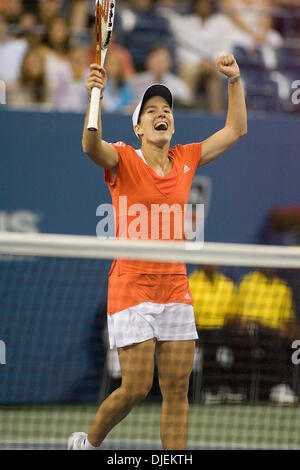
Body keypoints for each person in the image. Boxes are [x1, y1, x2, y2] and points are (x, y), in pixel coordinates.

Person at [68, 52, 247, 450]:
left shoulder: (185, 158)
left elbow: (235, 129)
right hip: (131, 286)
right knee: (135, 387)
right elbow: (89, 147)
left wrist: (234, 80)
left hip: (174, 288)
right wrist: (94, 96)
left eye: (165, 109)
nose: (160, 114)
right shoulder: (123, 159)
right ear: (139, 127)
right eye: (151, 111)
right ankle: (88, 443)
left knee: (178, 387)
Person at [231, 267, 298, 403]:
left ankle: (280, 386)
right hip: (252, 332)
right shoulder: (247, 283)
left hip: (276, 334)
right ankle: (241, 388)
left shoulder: (282, 287)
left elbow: (288, 319)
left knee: (288, 342)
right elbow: (239, 316)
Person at [189, 265, 239, 403]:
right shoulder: (191, 282)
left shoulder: (227, 284)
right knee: (211, 344)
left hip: (222, 330)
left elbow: (232, 314)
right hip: (198, 330)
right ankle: (211, 389)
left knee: (241, 342)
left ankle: (232, 388)